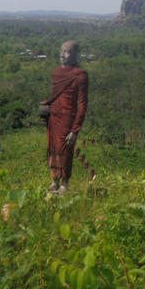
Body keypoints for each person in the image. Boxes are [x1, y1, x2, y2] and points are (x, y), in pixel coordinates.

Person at [39, 40, 88, 193]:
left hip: (68, 118)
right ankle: (54, 179)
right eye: (62, 51)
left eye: (67, 52)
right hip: (54, 117)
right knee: (53, 149)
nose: (62, 55)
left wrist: (75, 130)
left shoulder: (80, 75)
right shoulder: (56, 73)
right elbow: (55, 97)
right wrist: (46, 106)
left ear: (75, 55)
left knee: (65, 150)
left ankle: (65, 183)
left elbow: (82, 104)